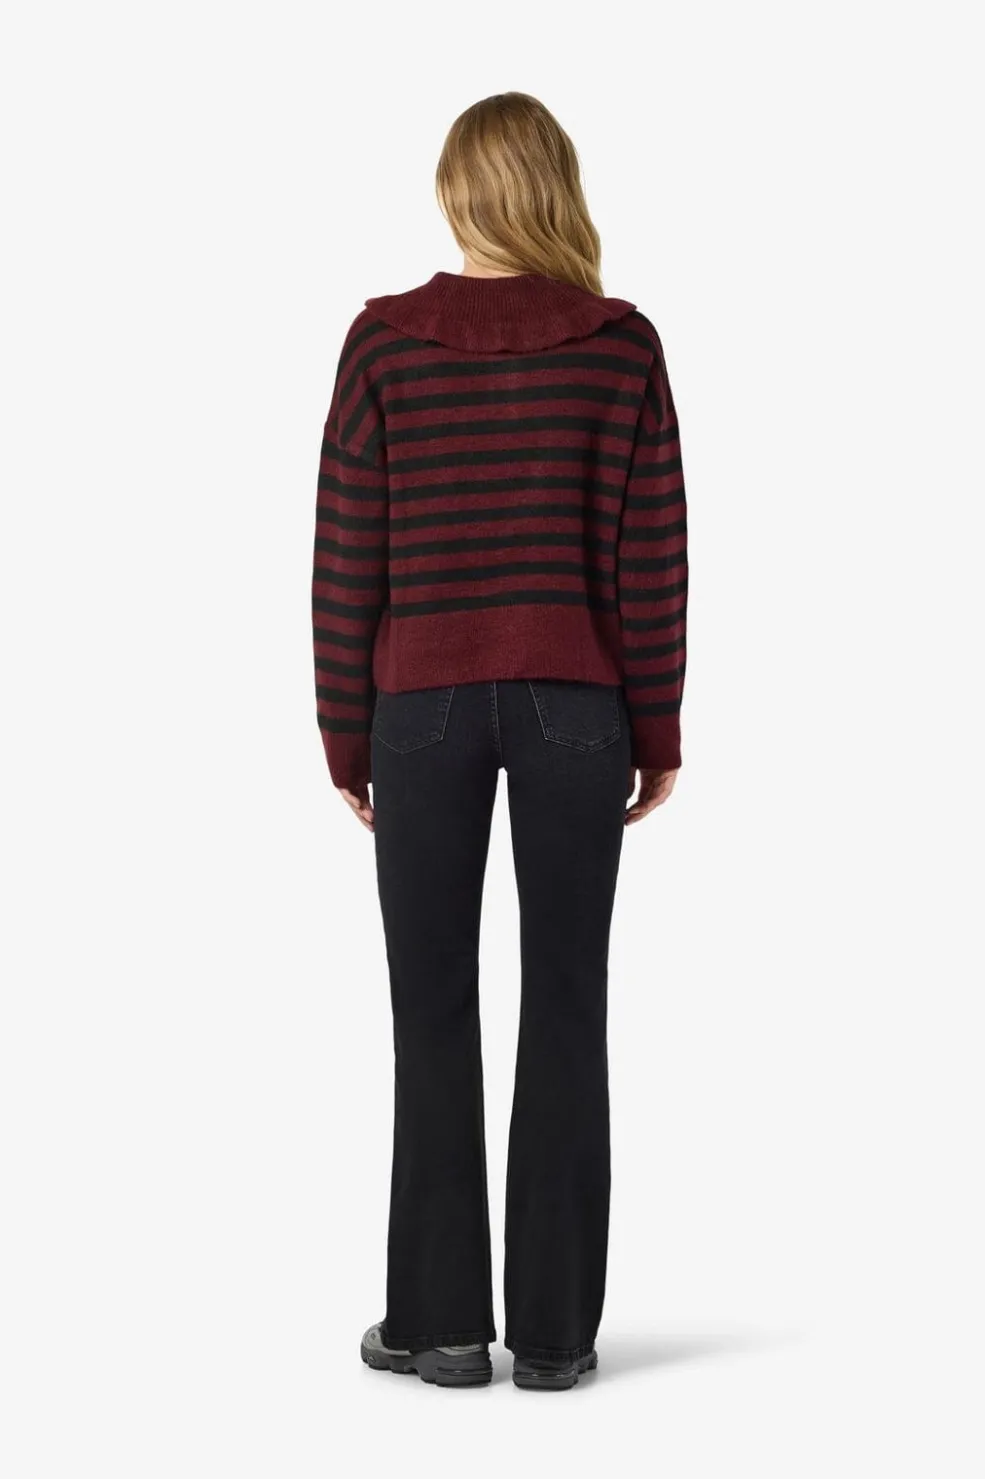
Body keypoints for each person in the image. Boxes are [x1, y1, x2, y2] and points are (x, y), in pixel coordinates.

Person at [311, 92, 687, 1390]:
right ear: (554, 187)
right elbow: (652, 556)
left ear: (457, 191)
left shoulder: (383, 344)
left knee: (431, 1010)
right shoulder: (620, 346)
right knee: (568, 1002)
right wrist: (658, 724)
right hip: (578, 705)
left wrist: (345, 734)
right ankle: (555, 1337)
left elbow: (347, 555)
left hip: (416, 707)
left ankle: (440, 1326)